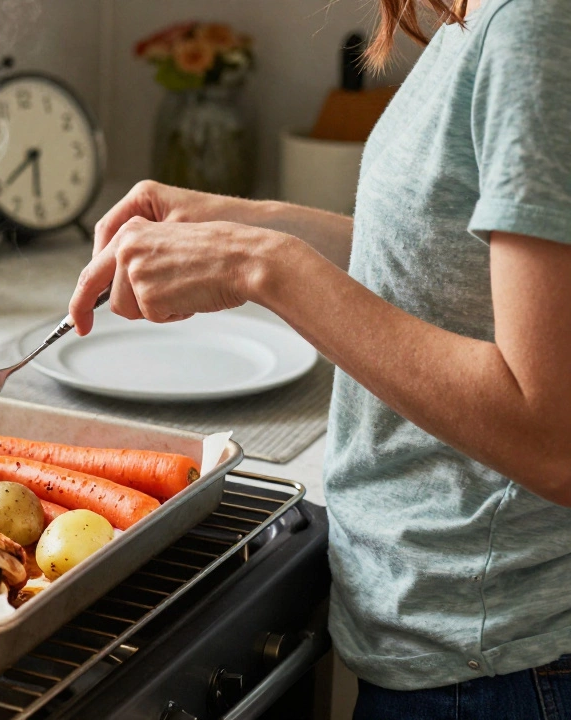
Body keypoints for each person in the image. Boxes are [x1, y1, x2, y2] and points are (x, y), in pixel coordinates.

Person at [67, 0, 571, 716]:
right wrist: (248, 222)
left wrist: (265, 266)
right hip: (453, 647)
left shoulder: (538, 21)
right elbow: (449, 265)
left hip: (495, 668)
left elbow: (553, 440)